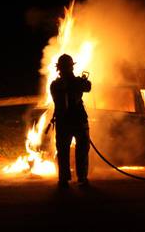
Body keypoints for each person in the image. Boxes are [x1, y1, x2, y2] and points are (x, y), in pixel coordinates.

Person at [50, 54, 92, 188]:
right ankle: (82, 177)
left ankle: (64, 178)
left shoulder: (54, 85)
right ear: (71, 67)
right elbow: (87, 86)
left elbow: (87, 87)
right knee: (81, 149)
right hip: (78, 121)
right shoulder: (75, 82)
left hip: (64, 122)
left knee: (63, 151)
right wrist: (81, 80)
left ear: (59, 69)